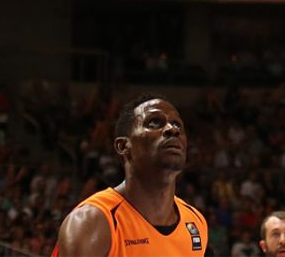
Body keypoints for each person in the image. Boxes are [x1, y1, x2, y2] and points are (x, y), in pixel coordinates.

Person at [53, 94, 209, 256]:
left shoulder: (195, 222)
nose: (173, 129)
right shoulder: (93, 222)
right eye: (154, 122)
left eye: (178, 125)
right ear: (123, 146)